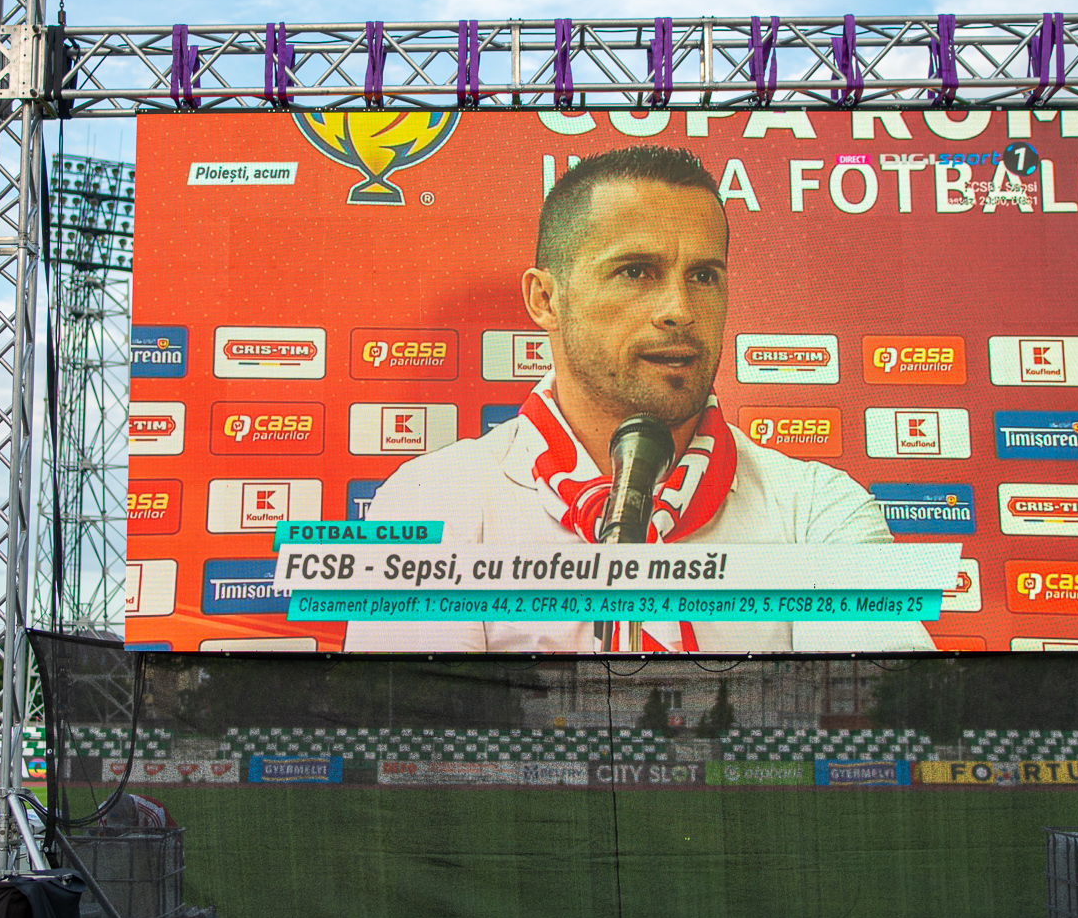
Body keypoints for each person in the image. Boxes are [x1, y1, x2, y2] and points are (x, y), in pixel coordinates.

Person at [342, 144, 934, 655]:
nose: (678, 309)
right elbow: (419, 763)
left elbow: (876, 747)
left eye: (704, 276)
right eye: (636, 271)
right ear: (546, 300)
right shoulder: (429, 503)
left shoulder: (819, 510)